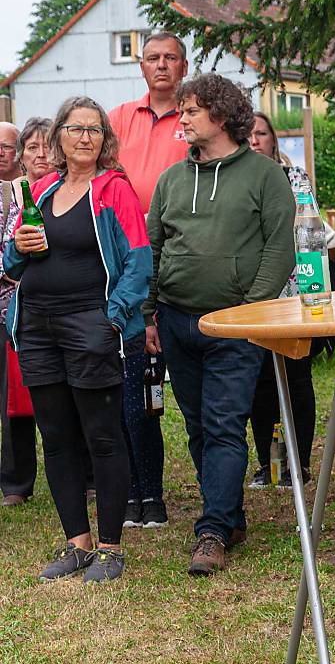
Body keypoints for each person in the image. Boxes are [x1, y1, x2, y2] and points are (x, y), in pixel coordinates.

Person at [143, 73, 295, 575]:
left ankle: (211, 532)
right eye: (182, 110)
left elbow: (280, 248)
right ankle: (227, 515)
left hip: (233, 325)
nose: (181, 119)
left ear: (221, 114)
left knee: (225, 425)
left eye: (190, 110)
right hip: (177, 320)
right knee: (197, 426)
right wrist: (149, 313)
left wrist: (248, 310)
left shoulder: (264, 175)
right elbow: (155, 248)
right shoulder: (171, 179)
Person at [4, 96, 151, 584]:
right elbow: (11, 265)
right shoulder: (40, 192)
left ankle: (110, 547)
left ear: (105, 140)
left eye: (94, 129)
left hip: (90, 325)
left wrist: (113, 318)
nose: (84, 136)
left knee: (102, 436)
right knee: (58, 438)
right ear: (59, 139)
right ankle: (77, 545)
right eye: (75, 128)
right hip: (38, 327)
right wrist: (17, 248)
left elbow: (139, 263)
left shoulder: (114, 191)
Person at [108, 31, 190, 530]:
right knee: (134, 385)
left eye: (170, 58)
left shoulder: (197, 117)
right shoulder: (119, 118)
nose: (161, 65)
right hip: (127, 261)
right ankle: (142, 492)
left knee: (171, 388)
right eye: (152, 58)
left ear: (183, 66)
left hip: (179, 260)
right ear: (141, 67)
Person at [244, 111, 318, 488]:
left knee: (295, 379)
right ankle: (269, 464)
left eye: (261, 133)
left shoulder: (293, 178)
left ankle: (299, 463)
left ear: (273, 139)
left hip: (292, 292)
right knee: (260, 383)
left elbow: (310, 227)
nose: (255, 140)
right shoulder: (236, 182)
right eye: (249, 134)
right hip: (253, 294)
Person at [0, 118, 50, 506]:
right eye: (31, 148)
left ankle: (84, 474)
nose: (41, 154)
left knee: (63, 395)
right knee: (14, 400)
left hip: (58, 306)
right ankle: (16, 481)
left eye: (46, 146)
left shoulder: (69, 191)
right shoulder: (10, 197)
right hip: (11, 310)